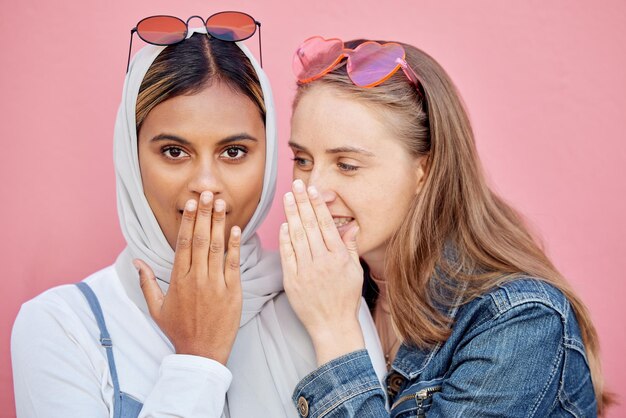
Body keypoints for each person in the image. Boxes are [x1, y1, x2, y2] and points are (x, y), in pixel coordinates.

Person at [11, 22, 386, 418]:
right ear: (131, 157)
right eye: (174, 152)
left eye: (234, 152)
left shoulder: (325, 297)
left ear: (270, 154)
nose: (206, 187)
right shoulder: (63, 326)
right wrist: (197, 359)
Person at [280, 36, 611, 417]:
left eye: (347, 165)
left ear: (425, 169)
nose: (313, 189)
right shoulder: (334, 284)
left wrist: (334, 331)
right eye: (302, 160)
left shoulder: (519, 320)